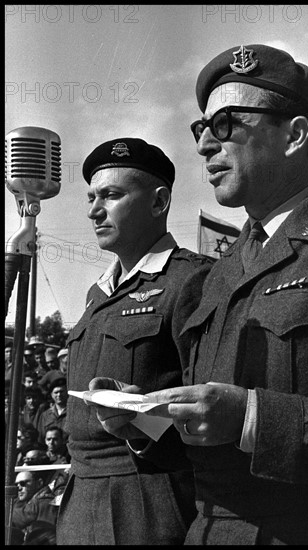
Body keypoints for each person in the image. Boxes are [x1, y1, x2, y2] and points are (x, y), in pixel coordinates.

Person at [104, 45, 308, 545]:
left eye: (225, 124)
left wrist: (251, 415)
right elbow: (208, 447)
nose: (205, 146)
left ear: (294, 135)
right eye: (201, 129)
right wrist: (146, 424)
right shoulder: (221, 272)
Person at [56, 137, 212, 545]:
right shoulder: (97, 295)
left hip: (147, 499)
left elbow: (215, 402)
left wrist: (144, 426)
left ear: (158, 203)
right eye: (92, 197)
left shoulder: (192, 280)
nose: (94, 210)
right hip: (80, 499)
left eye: (111, 195)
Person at [12, 469, 59, 545]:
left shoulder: (45, 503)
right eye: (17, 485)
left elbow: (47, 537)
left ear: (39, 483)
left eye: (23, 483)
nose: (19, 488)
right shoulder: (28, 501)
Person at [37, 377, 68, 445]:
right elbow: (41, 438)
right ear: (51, 395)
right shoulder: (45, 415)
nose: (59, 395)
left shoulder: (73, 413)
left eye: (61, 392)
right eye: (56, 392)